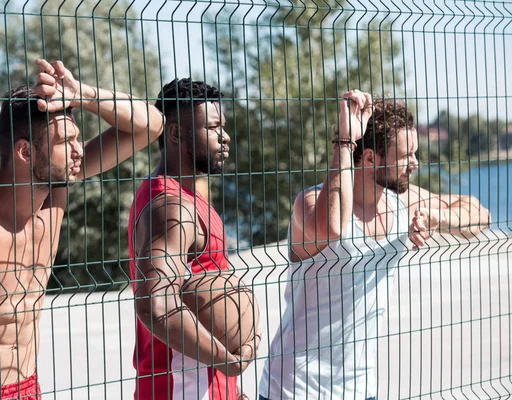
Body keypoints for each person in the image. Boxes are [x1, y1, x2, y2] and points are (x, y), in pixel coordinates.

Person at [0, 59, 164, 399]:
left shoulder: (55, 192)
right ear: (25, 151)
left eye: (77, 139)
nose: (78, 150)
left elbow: (151, 126)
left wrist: (82, 94)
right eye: (66, 142)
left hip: (25, 387)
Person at [258, 90, 492, 400]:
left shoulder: (400, 202)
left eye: (415, 153)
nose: (415, 164)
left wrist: (436, 218)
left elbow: (480, 216)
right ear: (370, 157)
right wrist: (346, 140)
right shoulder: (311, 202)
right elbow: (332, 227)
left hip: (361, 388)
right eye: (406, 155)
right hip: (296, 388)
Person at [128, 78, 257, 400]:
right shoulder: (169, 207)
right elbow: (156, 307)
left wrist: (231, 388)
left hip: (207, 387)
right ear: (175, 133)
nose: (224, 137)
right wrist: (228, 362)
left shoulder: (189, 199)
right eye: (213, 127)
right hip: (181, 389)